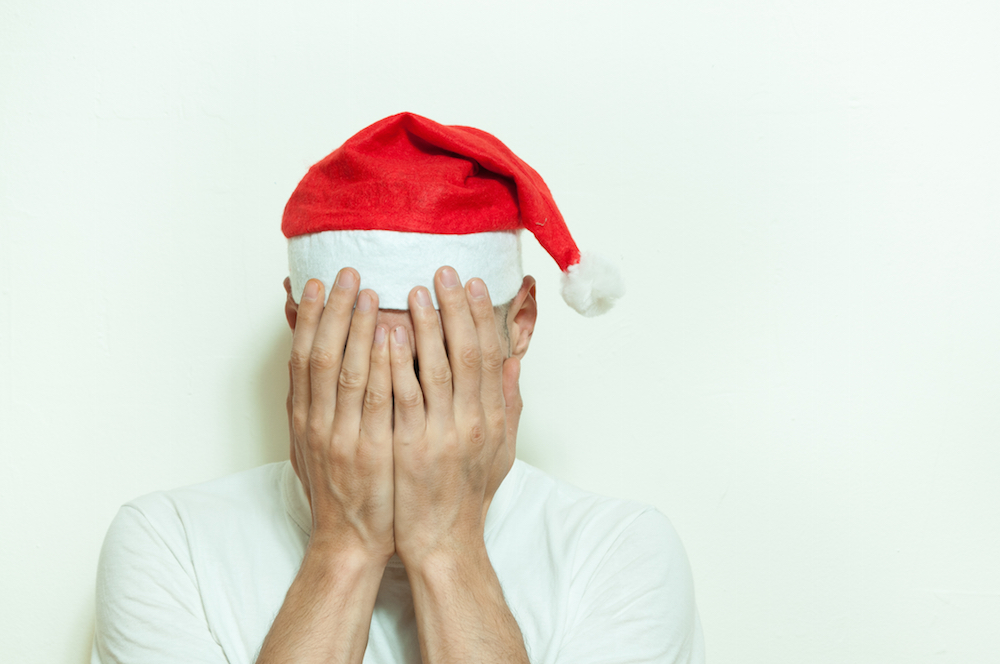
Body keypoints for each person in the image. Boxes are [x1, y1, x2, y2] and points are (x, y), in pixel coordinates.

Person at [91, 113, 705, 664]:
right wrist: (344, 547)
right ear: (299, 332)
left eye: (433, 364)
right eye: (354, 361)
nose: (396, 407)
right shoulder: (168, 548)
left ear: (517, 329)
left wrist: (447, 549)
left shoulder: (621, 557)